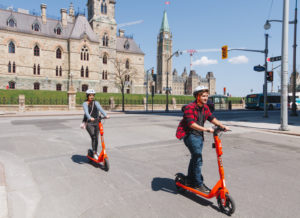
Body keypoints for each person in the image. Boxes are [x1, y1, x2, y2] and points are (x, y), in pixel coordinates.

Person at [176, 86, 229, 194]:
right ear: (197, 96)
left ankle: (190, 179)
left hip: (199, 135)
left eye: (207, 96)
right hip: (189, 134)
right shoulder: (189, 107)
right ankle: (198, 184)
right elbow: (191, 124)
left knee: (195, 157)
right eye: (203, 96)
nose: (206, 98)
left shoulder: (205, 107)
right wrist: (206, 129)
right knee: (198, 158)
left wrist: (222, 126)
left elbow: (211, 118)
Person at [83, 89, 109, 159]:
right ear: (87, 96)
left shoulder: (96, 102)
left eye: (93, 95)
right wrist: (89, 117)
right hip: (89, 123)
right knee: (93, 136)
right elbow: (86, 112)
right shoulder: (85, 103)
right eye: (90, 95)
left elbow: (101, 109)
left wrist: (106, 115)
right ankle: (94, 153)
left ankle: (95, 151)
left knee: (97, 138)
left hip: (97, 122)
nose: (92, 97)